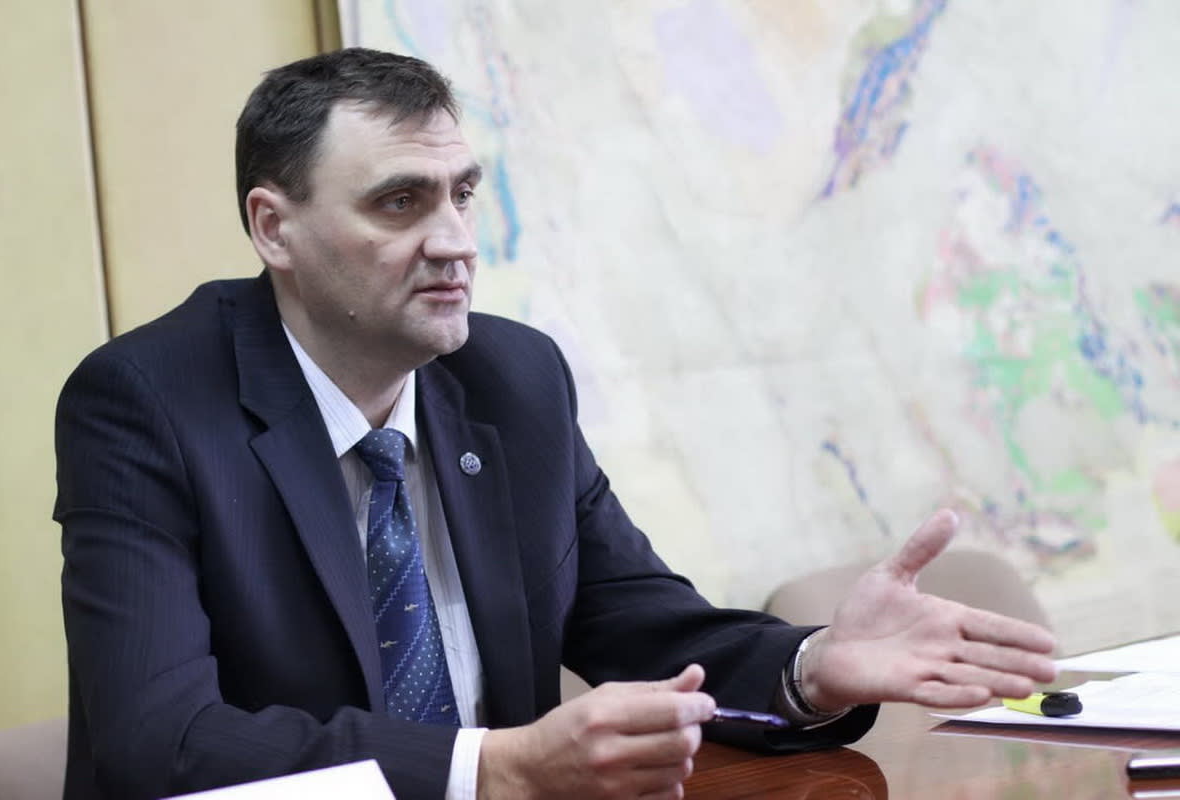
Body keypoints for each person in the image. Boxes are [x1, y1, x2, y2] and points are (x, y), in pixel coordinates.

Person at [54, 48, 1057, 800]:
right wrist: (492, 768)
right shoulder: (146, 404)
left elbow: (639, 623)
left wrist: (809, 665)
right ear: (274, 227)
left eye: (461, 195)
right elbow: (163, 743)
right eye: (400, 203)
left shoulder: (511, 377)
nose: (454, 241)